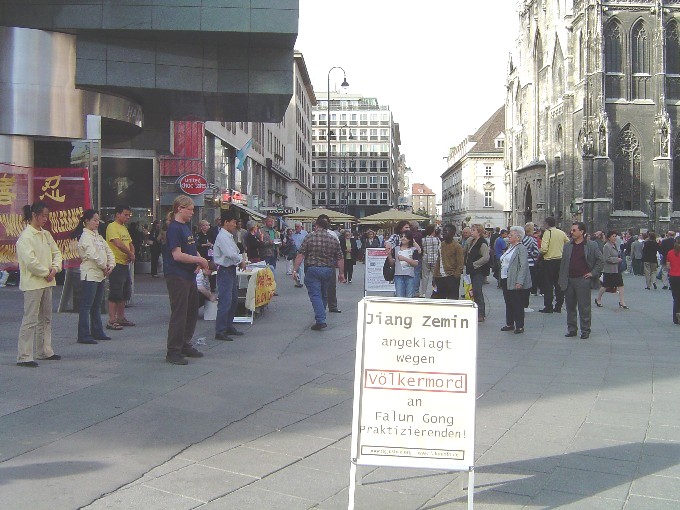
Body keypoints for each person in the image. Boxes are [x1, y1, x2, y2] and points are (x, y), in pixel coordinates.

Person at [16, 201, 63, 367]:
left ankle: (44, 350)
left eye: (47, 216)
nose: (45, 219)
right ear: (34, 215)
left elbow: (57, 253)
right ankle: (24, 355)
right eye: (43, 216)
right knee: (30, 320)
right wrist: (46, 272)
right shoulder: (25, 237)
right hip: (33, 283)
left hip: (47, 281)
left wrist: (55, 269)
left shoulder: (46, 234)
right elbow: (30, 262)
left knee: (46, 318)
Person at [163, 196, 209, 364]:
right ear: (179, 209)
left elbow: (191, 248)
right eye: (189, 209)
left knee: (191, 311)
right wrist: (199, 260)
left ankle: (185, 343)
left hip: (189, 274)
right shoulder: (174, 228)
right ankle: (173, 350)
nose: (192, 212)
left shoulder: (185, 227)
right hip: (177, 275)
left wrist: (197, 260)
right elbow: (177, 254)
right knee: (180, 313)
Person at [292, 217, 344, 330]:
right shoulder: (333, 239)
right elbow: (340, 258)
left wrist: (295, 269)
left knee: (315, 294)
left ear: (317, 226)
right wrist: (341, 273)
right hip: (328, 270)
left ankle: (320, 319)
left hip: (313, 269)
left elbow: (301, 254)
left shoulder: (309, 237)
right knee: (324, 294)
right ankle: (321, 316)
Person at [74, 209, 115, 344]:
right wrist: (104, 266)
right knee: (86, 305)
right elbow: (93, 254)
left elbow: (108, 251)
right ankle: (83, 334)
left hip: (101, 274)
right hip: (90, 274)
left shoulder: (98, 236)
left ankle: (97, 331)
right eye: (94, 220)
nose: (97, 223)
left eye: (98, 220)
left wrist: (111, 265)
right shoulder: (85, 236)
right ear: (87, 221)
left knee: (97, 305)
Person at [558, 222, 605, 340]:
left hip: (582, 280)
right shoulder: (568, 245)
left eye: (574, 230)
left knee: (584, 307)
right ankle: (572, 329)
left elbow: (601, 260)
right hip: (569, 279)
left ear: (582, 231)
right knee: (570, 306)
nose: (571, 232)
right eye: (571, 230)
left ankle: (585, 330)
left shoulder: (591, 245)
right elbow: (563, 264)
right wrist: (562, 279)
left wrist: (592, 273)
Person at [213, 210, 247, 341]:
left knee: (233, 300)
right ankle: (220, 330)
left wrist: (239, 258)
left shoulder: (229, 236)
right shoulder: (222, 237)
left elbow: (236, 250)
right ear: (226, 222)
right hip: (225, 270)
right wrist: (240, 260)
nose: (235, 225)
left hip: (231, 269)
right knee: (225, 301)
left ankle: (228, 325)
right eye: (233, 222)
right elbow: (230, 253)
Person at [106, 205, 136, 330]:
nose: (127, 217)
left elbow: (130, 243)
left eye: (129, 215)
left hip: (124, 263)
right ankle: (112, 320)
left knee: (124, 291)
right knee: (115, 292)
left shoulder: (124, 228)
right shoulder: (112, 226)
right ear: (117, 214)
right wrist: (129, 253)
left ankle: (121, 317)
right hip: (116, 263)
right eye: (125, 214)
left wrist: (132, 253)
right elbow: (117, 243)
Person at [499, 226, 532, 334]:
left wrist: (520, 281)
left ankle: (519, 325)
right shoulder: (510, 247)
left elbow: (523, 266)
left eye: (511, 235)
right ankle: (509, 323)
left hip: (514, 278)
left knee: (517, 303)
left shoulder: (521, 248)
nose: (509, 236)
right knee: (508, 302)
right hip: (506, 278)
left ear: (518, 237)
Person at [539, 216, 569, 313]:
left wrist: (540, 252)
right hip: (560, 260)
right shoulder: (561, 233)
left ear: (547, 224)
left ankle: (548, 306)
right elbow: (568, 243)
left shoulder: (547, 233)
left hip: (549, 260)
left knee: (548, 284)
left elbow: (544, 249)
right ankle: (558, 305)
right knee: (558, 284)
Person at [464, 224, 490, 322]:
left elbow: (486, 257)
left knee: (477, 291)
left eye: (473, 230)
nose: (471, 231)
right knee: (471, 291)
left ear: (479, 232)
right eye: (471, 230)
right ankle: (474, 311)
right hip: (471, 270)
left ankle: (481, 313)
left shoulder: (482, 243)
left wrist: (475, 264)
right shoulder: (471, 241)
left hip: (478, 271)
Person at [594, 231, 627, 309]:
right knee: (605, 285)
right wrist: (617, 259)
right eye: (613, 236)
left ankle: (622, 301)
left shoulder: (614, 245)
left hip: (616, 269)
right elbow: (607, 258)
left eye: (615, 236)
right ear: (609, 237)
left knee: (620, 285)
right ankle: (598, 299)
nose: (615, 238)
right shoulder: (606, 246)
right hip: (609, 270)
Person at [318, 214, 342, 313]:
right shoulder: (314, 234)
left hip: (330, 263)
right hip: (317, 263)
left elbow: (338, 250)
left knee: (331, 286)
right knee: (319, 287)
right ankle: (320, 306)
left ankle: (332, 306)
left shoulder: (333, 234)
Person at [432, 224, 464, 299]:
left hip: (451, 277)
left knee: (452, 300)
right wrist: (434, 276)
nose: (443, 233)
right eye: (443, 231)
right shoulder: (441, 244)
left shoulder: (457, 246)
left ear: (453, 233)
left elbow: (460, 263)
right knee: (437, 299)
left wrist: (455, 276)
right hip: (439, 277)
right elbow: (438, 260)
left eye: (446, 231)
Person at [386, 230, 421, 298]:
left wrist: (405, 259)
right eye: (402, 236)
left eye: (405, 237)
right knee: (399, 296)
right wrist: (389, 254)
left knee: (409, 296)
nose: (403, 238)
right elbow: (392, 263)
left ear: (409, 239)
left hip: (410, 276)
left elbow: (416, 263)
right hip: (398, 275)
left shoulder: (414, 249)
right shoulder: (396, 249)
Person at [420, 224, 441, 298]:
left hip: (425, 258)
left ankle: (423, 293)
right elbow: (439, 249)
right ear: (433, 231)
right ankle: (435, 291)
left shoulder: (423, 240)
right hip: (435, 259)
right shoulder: (437, 239)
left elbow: (422, 249)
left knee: (425, 276)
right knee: (435, 277)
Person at [522, 222, 540, 309]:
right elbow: (536, 252)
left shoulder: (521, 239)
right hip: (530, 263)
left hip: (522, 263)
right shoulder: (533, 240)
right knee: (528, 283)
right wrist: (531, 254)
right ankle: (526, 304)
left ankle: (521, 302)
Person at [665, 237, 680, 324]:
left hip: (673, 277)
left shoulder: (670, 253)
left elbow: (668, 266)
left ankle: (675, 318)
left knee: (676, 297)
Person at [260, 216, 279, 281]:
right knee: (265, 270)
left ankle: (272, 283)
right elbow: (260, 243)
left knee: (272, 269)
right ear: (266, 222)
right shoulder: (262, 231)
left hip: (274, 252)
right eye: (269, 221)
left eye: (272, 222)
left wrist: (279, 243)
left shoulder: (274, 231)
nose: (271, 223)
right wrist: (269, 242)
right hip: (266, 253)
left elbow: (277, 240)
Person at [291, 222, 308, 288]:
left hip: (302, 252)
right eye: (295, 226)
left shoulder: (305, 233)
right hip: (294, 252)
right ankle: (297, 282)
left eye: (297, 227)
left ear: (301, 227)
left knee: (300, 267)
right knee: (295, 267)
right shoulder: (293, 234)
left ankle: (301, 282)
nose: (296, 228)